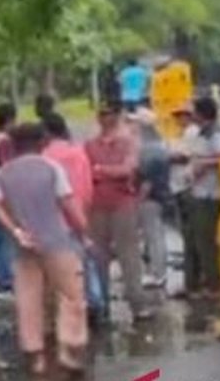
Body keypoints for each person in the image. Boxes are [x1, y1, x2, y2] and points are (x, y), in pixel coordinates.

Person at [0, 123, 89, 374]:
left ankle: (37, 356)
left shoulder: (4, 173)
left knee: (28, 299)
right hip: (56, 241)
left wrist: (15, 230)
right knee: (70, 295)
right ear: (41, 143)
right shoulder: (51, 168)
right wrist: (83, 231)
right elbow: (68, 205)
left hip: (24, 246)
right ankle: (68, 348)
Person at [85, 104, 154, 320]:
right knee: (98, 256)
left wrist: (99, 170)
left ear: (117, 116)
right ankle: (101, 304)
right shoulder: (89, 145)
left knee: (129, 255)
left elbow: (128, 169)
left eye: (110, 113)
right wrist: (108, 172)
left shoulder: (128, 142)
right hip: (97, 204)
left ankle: (137, 304)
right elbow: (86, 172)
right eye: (102, 113)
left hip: (123, 203)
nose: (106, 117)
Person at [184, 96, 220, 298]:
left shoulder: (215, 135)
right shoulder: (203, 133)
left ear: (201, 114)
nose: (190, 114)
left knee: (206, 242)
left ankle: (214, 286)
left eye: (193, 110)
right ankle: (206, 282)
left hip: (209, 195)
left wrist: (204, 164)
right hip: (199, 192)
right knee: (199, 240)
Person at [134, 111, 171, 289]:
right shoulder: (158, 145)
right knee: (153, 237)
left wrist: (138, 200)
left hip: (150, 198)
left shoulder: (148, 149)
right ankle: (156, 271)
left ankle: (158, 273)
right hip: (159, 196)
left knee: (153, 236)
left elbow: (147, 180)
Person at [0, 102, 20, 297]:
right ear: (9, 119)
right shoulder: (4, 142)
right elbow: (7, 168)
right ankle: (5, 280)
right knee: (6, 237)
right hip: (4, 193)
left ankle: (1, 276)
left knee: (0, 238)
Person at [41, 112, 93, 216]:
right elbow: (88, 186)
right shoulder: (78, 151)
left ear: (46, 133)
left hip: (56, 214)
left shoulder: (44, 156)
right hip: (79, 210)